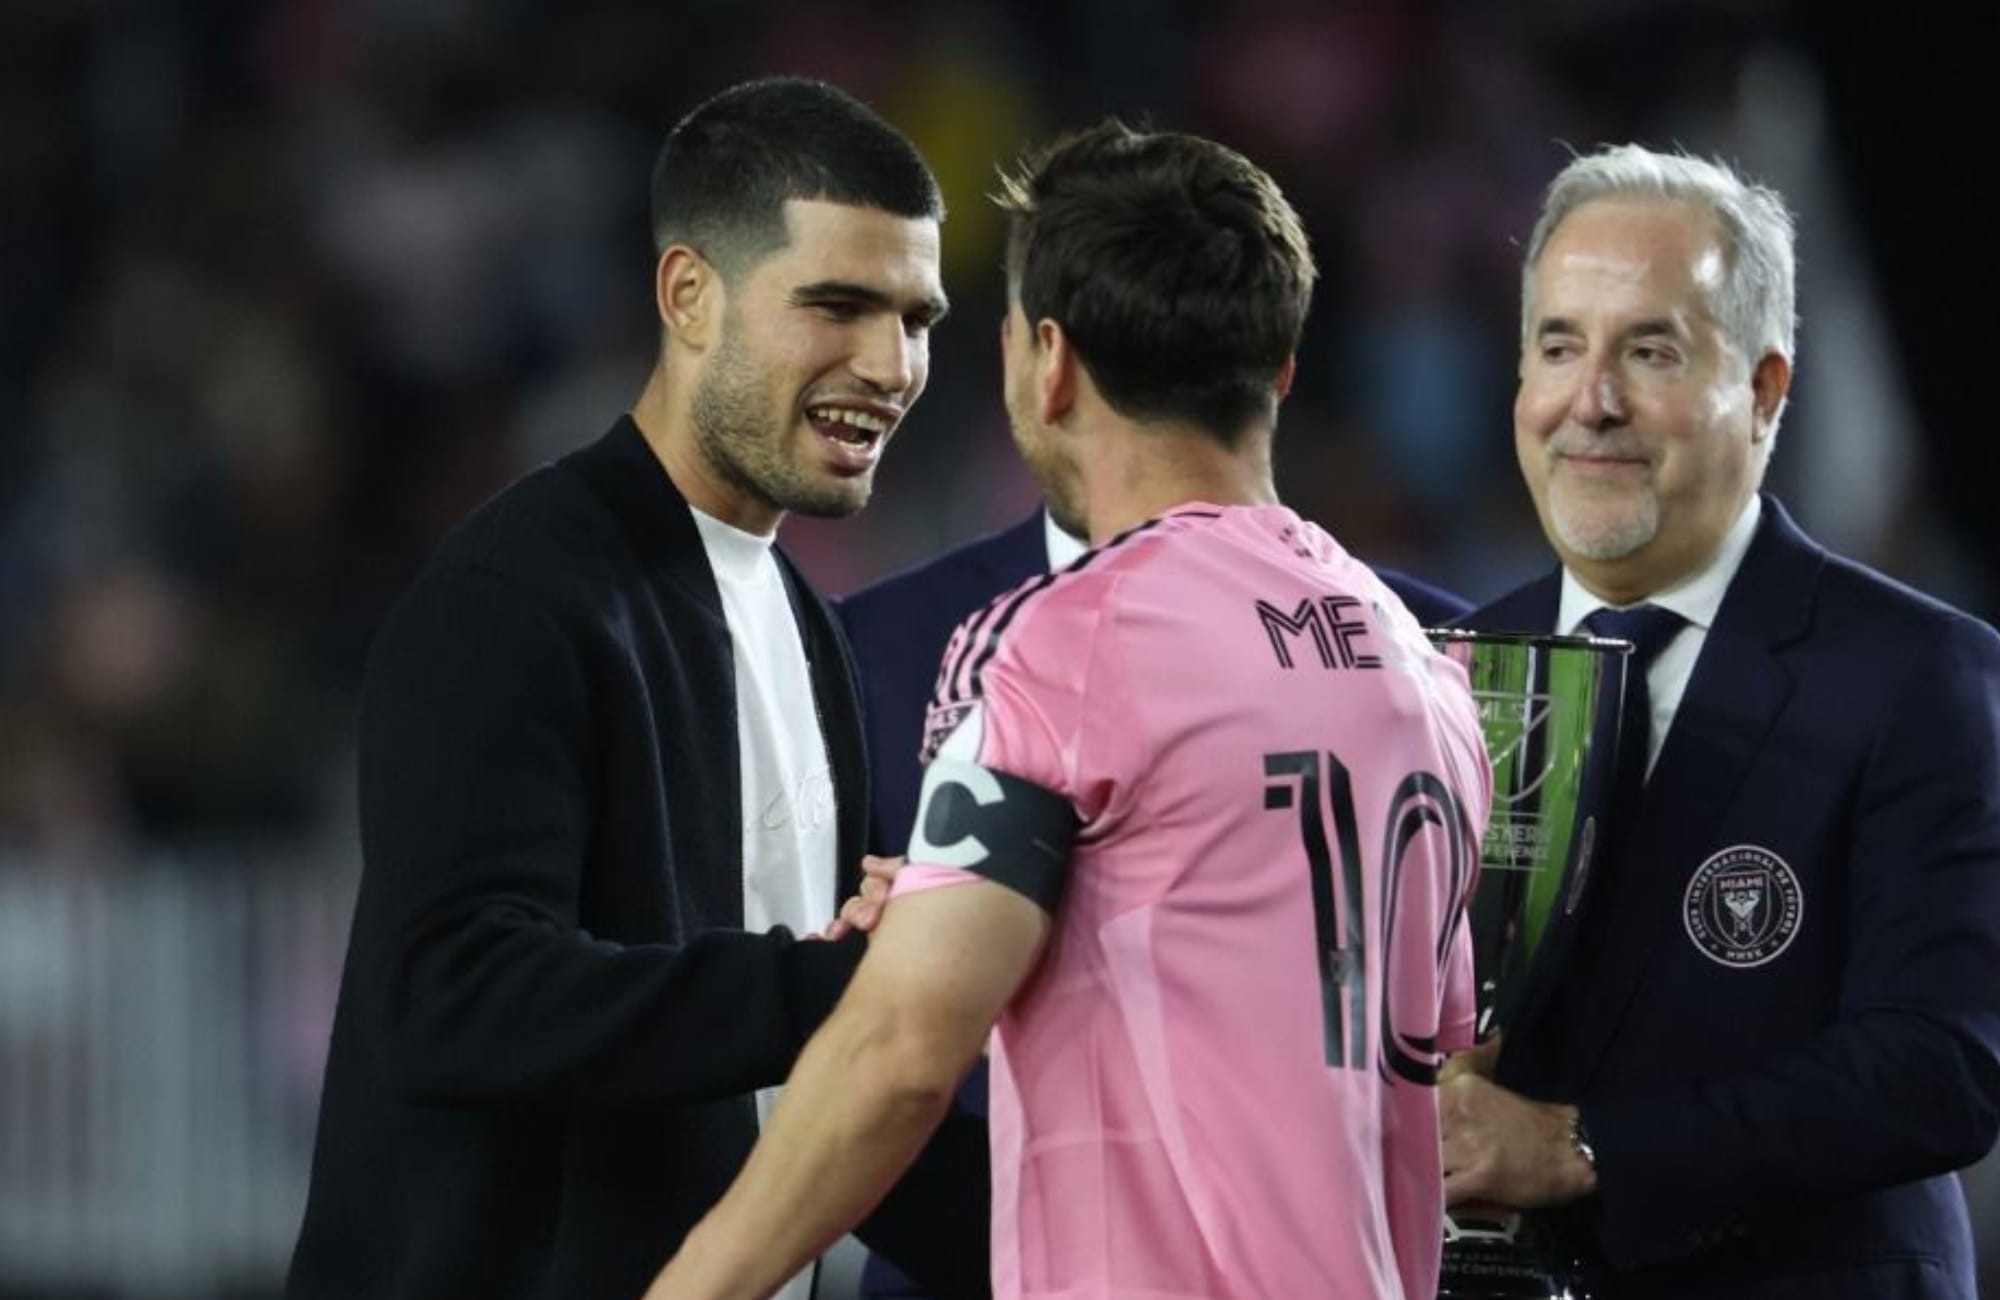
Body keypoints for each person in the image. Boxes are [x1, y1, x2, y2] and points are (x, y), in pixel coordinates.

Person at [645, 119, 1493, 1300]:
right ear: (1279, 368)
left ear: (1047, 359)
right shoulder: (1425, 675)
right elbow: (1411, 1044)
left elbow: (897, 1057)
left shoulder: (1064, 638)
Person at [285, 77, 988, 1300]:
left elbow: (807, 1095)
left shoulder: (810, 628)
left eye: (916, 317)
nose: (889, 364)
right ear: (688, 295)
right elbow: (455, 995)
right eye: (837, 304)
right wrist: (828, 983)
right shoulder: (515, 592)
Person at [1438, 144, 2000, 1298]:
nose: (1588, 401)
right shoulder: (1443, 673)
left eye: (1648, 350)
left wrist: (1578, 1146)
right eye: (1556, 347)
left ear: (1762, 390)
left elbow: (1941, 1065)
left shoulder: (1917, 675)